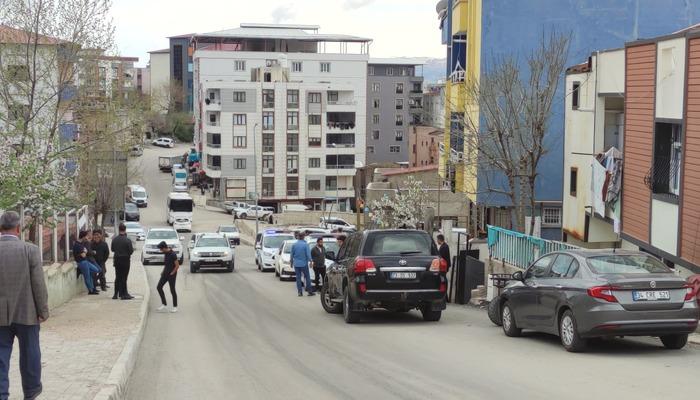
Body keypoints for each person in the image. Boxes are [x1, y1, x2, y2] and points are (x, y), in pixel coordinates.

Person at [0, 211, 49, 400]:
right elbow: (38, 283)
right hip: (27, 311)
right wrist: (43, 310)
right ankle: (31, 392)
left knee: (1, 356)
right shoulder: (30, 250)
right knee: (30, 353)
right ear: (19, 229)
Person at [111, 224, 134, 300]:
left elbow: (112, 249)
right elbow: (131, 251)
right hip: (125, 260)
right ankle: (124, 294)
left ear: (119, 229)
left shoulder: (115, 239)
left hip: (117, 260)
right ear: (125, 230)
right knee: (124, 277)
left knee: (117, 277)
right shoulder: (127, 240)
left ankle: (115, 294)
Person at [156, 241, 179, 313]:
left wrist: (172, 273)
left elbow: (177, 265)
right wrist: (163, 271)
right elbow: (166, 264)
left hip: (172, 275)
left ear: (164, 248)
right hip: (165, 274)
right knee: (159, 287)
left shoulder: (173, 254)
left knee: (172, 290)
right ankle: (164, 304)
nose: (160, 250)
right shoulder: (165, 253)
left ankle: (175, 307)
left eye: (161, 249)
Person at [290, 232, 315, 297]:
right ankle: (310, 291)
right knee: (307, 277)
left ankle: (300, 292)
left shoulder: (294, 245)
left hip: (296, 264)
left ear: (298, 237)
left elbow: (291, 255)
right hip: (304, 264)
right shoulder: (305, 245)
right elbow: (308, 254)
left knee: (298, 278)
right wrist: (311, 261)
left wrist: (291, 262)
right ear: (303, 237)